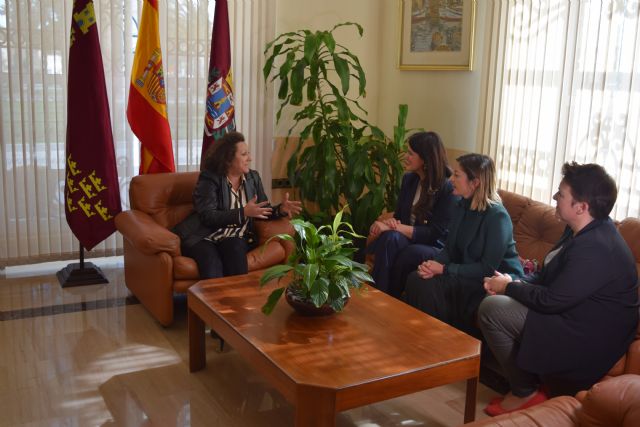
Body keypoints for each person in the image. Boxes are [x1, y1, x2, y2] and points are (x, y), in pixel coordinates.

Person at [479, 162, 638, 415]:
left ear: (582, 207)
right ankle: (528, 384)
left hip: (588, 333)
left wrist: (509, 288)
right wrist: (514, 282)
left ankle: (526, 389)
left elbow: (552, 299)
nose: (554, 197)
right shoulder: (576, 230)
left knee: (492, 309)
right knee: (495, 296)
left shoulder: (596, 247)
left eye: (561, 194)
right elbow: (546, 277)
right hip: (571, 311)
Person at [404, 153, 523, 336]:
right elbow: (450, 248)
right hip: (465, 272)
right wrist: (431, 265)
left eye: (457, 175)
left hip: (490, 280)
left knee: (429, 287)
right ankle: (421, 340)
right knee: (417, 278)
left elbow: (487, 268)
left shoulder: (497, 217)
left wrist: (444, 270)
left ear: (475, 183)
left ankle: (441, 344)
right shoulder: (461, 206)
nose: (451, 179)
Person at [172, 131, 302, 279]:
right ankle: (210, 302)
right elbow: (207, 216)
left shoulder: (253, 178)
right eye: (244, 154)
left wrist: (280, 209)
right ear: (228, 159)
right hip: (204, 236)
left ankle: (239, 300)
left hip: (235, 237)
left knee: (235, 251)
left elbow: (261, 210)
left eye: (249, 154)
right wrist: (243, 213)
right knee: (211, 264)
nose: (250, 158)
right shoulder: (209, 178)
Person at [366, 131, 457, 297]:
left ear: (425, 158)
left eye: (410, 153)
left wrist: (397, 227)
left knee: (408, 251)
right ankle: (379, 296)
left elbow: (434, 233)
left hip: (434, 245)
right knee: (389, 238)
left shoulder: (447, 188)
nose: (406, 157)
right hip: (408, 237)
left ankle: (387, 298)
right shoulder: (410, 180)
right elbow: (400, 215)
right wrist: (390, 224)